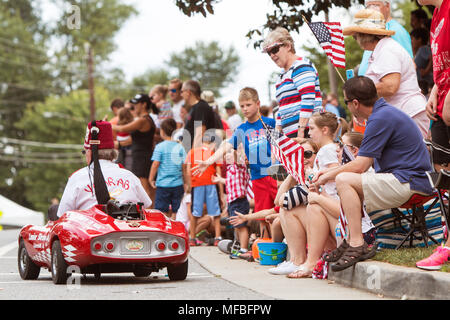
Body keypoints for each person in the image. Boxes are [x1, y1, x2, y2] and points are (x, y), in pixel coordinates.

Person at [313, 76, 433, 272]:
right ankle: (353, 239)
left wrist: (328, 175)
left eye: (346, 102)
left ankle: (357, 243)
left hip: (411, 182)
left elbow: (361, 165)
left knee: (344, 180)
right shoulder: (382, 114)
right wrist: (331, 172)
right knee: (346, 180)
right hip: (408, 179)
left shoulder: (380, 118)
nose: (347, 106)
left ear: (355, 103)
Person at [193, 87, 278, 237]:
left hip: (275, 175)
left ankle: (284, 245)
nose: (245, 109)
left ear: (257, 103)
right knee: (263, 217)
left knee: (280, 210)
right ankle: (268, 245)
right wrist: (209, 161)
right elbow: (227, 145)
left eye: (248, 105)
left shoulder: (270, 123)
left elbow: (280, 144)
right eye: (242, 106)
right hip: (258, 178)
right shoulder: (241, 129)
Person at [344, 9, 429, 138]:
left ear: (363, 35)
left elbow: (390, 86)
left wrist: (358, 91)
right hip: (401, 115)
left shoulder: (387, 50)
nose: (354, 38)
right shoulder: (382, 49)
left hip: (407, 113)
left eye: (355, 35)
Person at [416, 0, 450, 271]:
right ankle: (447, 237)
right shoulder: (437, 13)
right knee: (442, 173)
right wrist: (436, 90)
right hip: (441, 102)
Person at [57, 121, 152, 218]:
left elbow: (63, 214)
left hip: (92, 231)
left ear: (90, 153)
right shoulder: (129, 176)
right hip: (128, 229)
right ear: (113, 152)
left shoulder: (77, 177)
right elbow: (146, 205)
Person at [262, 27, 322, 139]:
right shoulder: (281, 76)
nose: (272, 55)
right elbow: (281, 109)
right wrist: (277, 139)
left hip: (308, 133)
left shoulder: (300, 66)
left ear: (288, 46)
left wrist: (301, 131)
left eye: (274, 50)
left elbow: (308, 98)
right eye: (268, 52)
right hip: (291, 137)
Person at [112, 93, 156, 201]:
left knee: (145, 189)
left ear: (144, 105)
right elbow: (136, 139)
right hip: (141, 157)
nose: (134, 106)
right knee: (146, 188)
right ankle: (151, 212)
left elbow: (122, 128)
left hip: (143, 158)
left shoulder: (143, 120)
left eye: (136, 104)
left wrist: (104, 125)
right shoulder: (145, 119)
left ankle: (150, 214)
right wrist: (119, 144)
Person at [212, 147, 252, 260]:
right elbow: (230, 181)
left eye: (229, 153)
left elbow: (237, 159)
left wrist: (234, 150)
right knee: (237, 226)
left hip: (239, 201)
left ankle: (244, 248)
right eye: (225, 154)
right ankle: (239, 246)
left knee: (241, 226)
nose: (227, 155)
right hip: (232, 202)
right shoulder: (230, 169)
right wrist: (220, 180)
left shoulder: (240, 166)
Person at [185, 134, 224, 246]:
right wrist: (221, 194)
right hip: (211, 183)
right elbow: (218, 173)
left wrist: (190, 185)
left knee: (195, 212)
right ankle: (217, 237)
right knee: (216, 212)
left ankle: (192, 238)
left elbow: (188, 171)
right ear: (213, 143)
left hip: (197, 184)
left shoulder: (192, 152)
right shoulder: (214, 153)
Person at [357, 0, 413, 77]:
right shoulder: (372, 31)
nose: (371, 9)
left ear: (387, 6)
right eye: (368, 6)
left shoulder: (396, 30)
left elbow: (409, 66)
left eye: (376, 5)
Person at [149, 118, 188, 219]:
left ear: (162, 131)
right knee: (176, 210)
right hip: (178, 184)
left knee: (162, 211)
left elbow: (155, 164)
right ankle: (174, 228)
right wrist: (186, 182)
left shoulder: (160, 147)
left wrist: (151, 178)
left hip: (163, 184)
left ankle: (164, 231)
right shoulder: (180, 147)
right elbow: (184, 167)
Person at [181, 80, 218, 150]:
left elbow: (199, 134)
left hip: (197, 155)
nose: (181, 94)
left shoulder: (200, 107)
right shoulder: (195, 107)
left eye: (182, 91)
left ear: (188, 92)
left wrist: (192, 156)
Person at [411, 28, 434, 95]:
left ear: (419, 40)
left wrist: (426, 71)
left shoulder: (423, 49)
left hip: (425, 83)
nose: (411, 41)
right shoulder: (420, 50)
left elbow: (432, 57)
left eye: (412, 39)